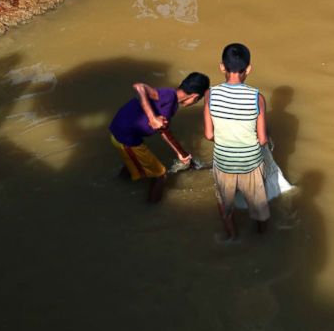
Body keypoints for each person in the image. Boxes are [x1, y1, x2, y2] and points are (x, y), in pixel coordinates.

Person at [204, 42, 271, 239]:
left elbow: (208, 135)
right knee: (259, 209)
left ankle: (232, 237)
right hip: (250, 163)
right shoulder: (257, 98)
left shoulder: (211, 94)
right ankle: (262, 239)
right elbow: (263, 139)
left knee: (225, 205)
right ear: (248, 69)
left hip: (224, 162)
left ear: (222, 67)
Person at [109, 72, 209, 203]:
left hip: (122, 132)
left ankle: (115, 185)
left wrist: (181, 154)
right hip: (126, 138)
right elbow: (139, 87)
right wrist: (152, 117)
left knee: (132, 163)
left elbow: (164, 131)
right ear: (195, 97)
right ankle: (151, 210)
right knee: (161, 175)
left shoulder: (172, 103)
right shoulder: (167, 95)